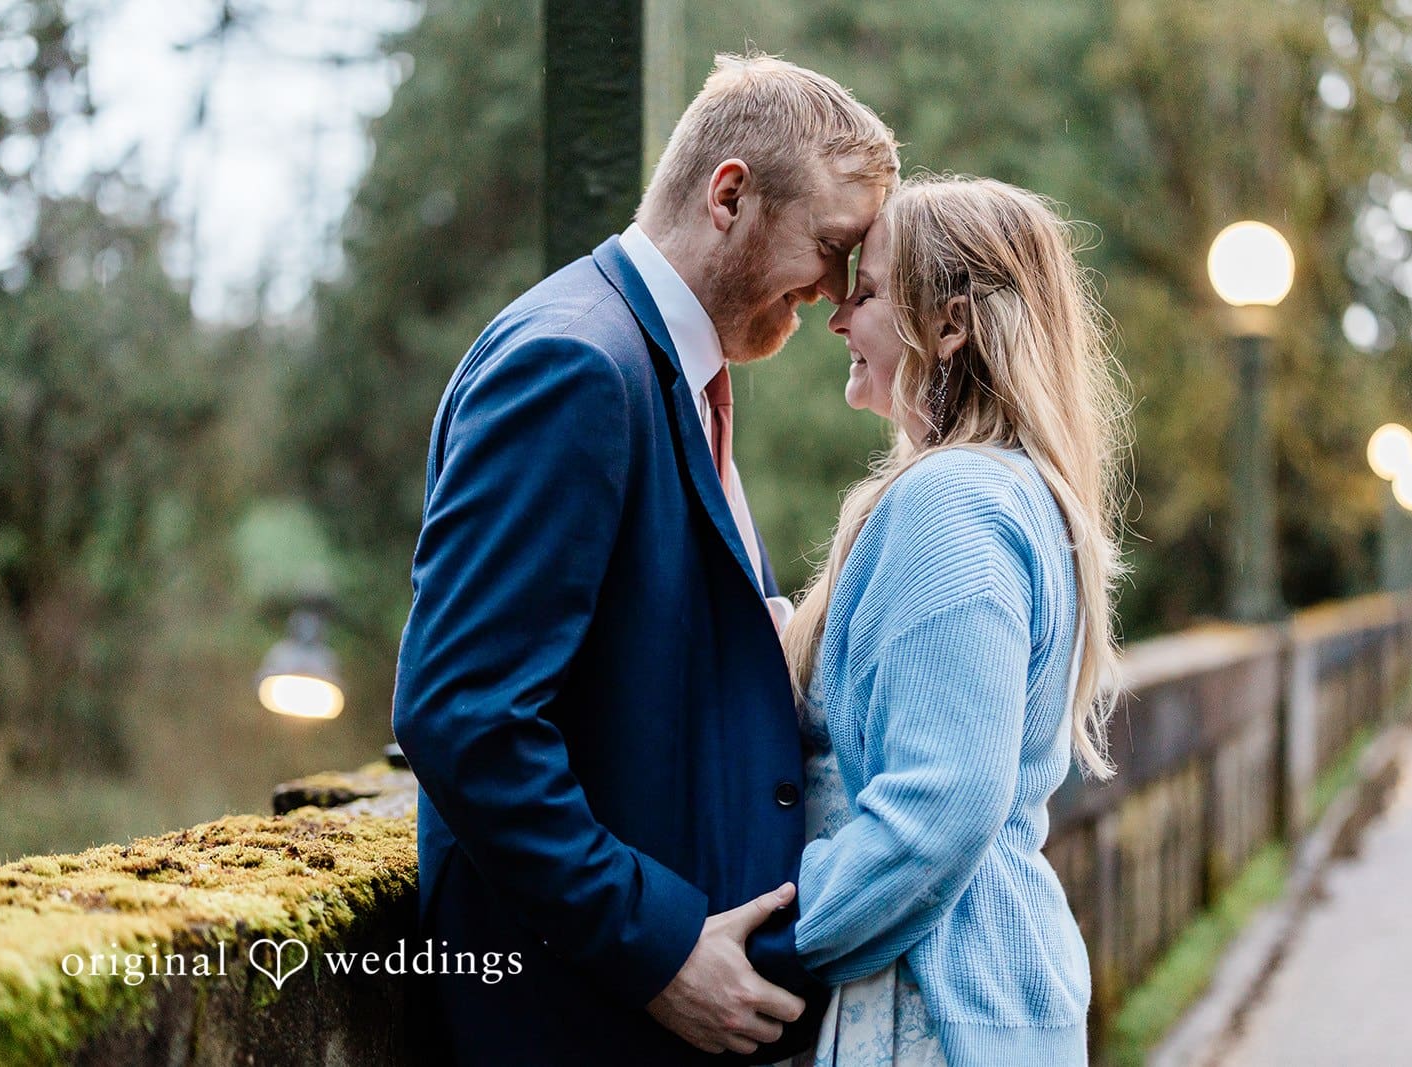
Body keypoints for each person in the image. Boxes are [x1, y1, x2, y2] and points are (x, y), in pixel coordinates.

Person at [390, 54, 898, 1065]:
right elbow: (464, 713)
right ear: (728, 196)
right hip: (570, 1022)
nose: (835, 292)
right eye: (832, 247)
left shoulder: (665, 369)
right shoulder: (575, 362)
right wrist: (658, 948)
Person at [776, 175, 1130, 1066]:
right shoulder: (1012, 493)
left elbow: (942, 805)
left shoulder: (956, 501)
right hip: (976, 998)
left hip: (925, 1009)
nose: (837, 318)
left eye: (865, 293)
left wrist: (779, 932)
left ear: (948, 325)